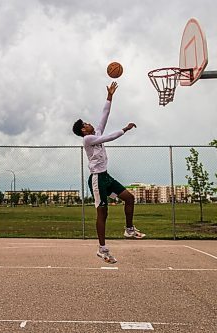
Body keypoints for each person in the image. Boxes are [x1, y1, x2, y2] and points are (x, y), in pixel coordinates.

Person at [72, 81, 145, 264]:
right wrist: (125, 129)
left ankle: (129, 229)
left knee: (129, 198)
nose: (90, 123)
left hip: (106, 177)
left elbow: (104, 116)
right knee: (102, 213)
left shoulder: (94, 133)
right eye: (86, 123)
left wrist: (110, 96)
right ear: (83, 130)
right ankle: (102, 250)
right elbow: (109, 137)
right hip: (97, 180)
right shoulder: (88, 139)